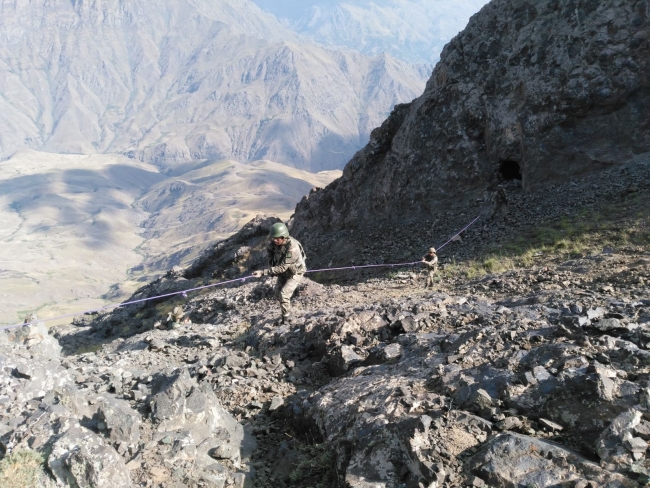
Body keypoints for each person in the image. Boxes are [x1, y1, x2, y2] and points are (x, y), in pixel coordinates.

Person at [252, 222, 306, 324]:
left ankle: (287, 318)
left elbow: (282, 268)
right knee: (277, 292)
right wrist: (272, 266)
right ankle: (286, 311)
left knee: (284, 294)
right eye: (273, 238)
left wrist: (263, 272)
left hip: (295, 273)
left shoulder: (292, 248)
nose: (275, 240)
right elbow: (271, 256)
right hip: (284, 272)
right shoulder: (274, 244)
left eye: (277, 238)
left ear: (284, 236)